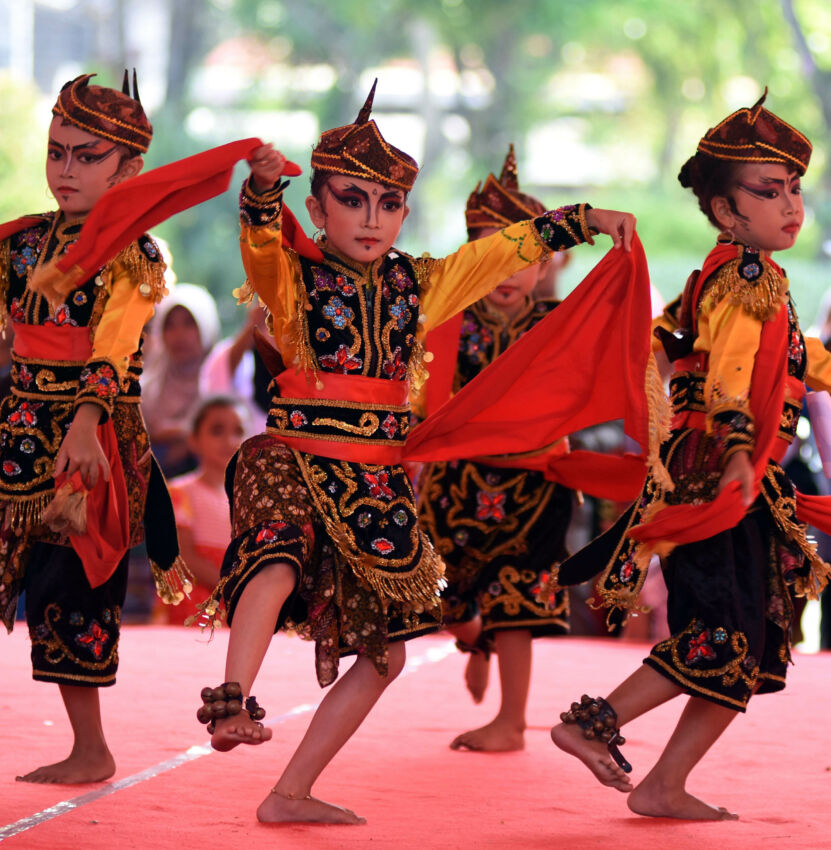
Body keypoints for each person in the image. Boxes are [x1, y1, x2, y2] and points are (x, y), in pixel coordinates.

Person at [194, 81, 636, 825]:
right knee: (277, 551)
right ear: (317, 208)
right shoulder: (295, 278)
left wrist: (585, 220)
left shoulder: (418, 282)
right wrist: (261, 193)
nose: (372, 218)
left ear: (403, 210)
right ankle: (232, 698)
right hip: (295, 455)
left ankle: (289, 792)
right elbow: (260, 249)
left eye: (388, 203)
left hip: (373, 480)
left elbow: (503, 249)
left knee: (387, 655)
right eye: (352, 199)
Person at [549, 91, 831, 820]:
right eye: (769, 192)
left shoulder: (731, 277)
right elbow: (732, 371)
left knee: (748, 647)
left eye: (795, 189)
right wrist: (737, 445)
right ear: (724, 208)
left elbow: (793, 358)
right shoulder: (743, 277)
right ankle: (592, 723)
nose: (790, 205)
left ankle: (661, 784)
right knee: (718, 637)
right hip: (719, 483)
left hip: (734, 483)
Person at [0, 73, 188, 784]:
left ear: (130, 169)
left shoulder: (135, 255)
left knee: (69, 591)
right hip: (17, 433)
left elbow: (114, 347)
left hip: (92, 443)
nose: (64, 170)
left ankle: (91, 748)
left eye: (85, 156)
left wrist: (83, 425)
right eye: (57, 153)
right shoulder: (20, 246)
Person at [416, 146, 573, 751]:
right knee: (440, 594)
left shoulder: (560, 323)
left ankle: (511, 722)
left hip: (538, 482)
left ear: (546, 261)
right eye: (492, 255)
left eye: (524, 255)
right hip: (459, 480)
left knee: (519, 598)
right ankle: (470, 635)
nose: (508, 272)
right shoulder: (448, 323)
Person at [154, 396, 245, 625]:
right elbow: (185, 557)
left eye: (238, 431)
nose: (229, 440)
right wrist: (234, 589)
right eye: (217, 431)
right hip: (196, 600)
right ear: (193, 440)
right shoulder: (180, 492)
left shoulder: (248, 501)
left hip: (239, 600)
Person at [142, 282, 220, 476]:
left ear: (206, 326)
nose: (179, 335)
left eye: (189, 323)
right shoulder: (147, 385)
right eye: (170, 325)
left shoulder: (223, 379)